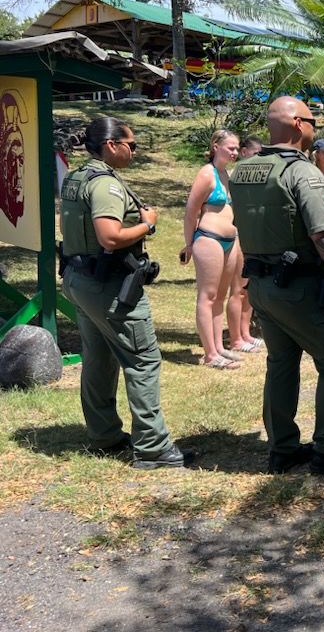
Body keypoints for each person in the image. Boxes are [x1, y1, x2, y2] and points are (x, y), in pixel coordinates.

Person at [230, 96, 324, 476]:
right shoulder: (303, 173)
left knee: (281, 363)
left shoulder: (243, 171)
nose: (315, 127)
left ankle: (282, 449)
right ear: (298, 124)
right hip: (303, 288)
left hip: (262, 286)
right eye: (312, 121)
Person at [60, 117, 194, 469]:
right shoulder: (105, 185)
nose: (134, 152)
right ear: (111, 145)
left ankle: (104, 434)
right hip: (108, 287)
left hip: (80, 279)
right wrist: (148, 224)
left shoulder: (77, 177)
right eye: (131, 145)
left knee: (99, 358)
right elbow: (109, 236)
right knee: (143, 359)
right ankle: (152, 447)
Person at [181, 129, 245, 370]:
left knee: (221, 295)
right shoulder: (206, 174)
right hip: (209, 239)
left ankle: (219, 347)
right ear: (216, 146)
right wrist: (189, 244)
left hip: (230, 239)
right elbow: (191, 212)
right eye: (230, 148)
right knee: (207, 296)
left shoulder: (225, 174)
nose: (235, 152)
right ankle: (210, 354)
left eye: (237, 148)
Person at [228, 137, 264, 352]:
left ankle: (245, 332)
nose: (259, 158)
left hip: (254, 236)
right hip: (238, 235)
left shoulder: (257, 178)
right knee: (238, 289)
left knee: (249, 288)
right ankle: (235, 338)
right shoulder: (233, 177)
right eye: (256, 153)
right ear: (244, 152)